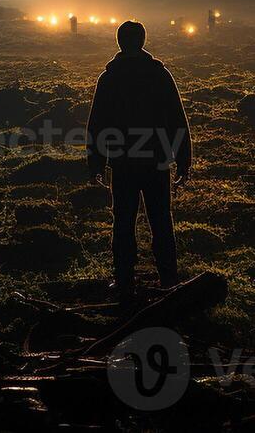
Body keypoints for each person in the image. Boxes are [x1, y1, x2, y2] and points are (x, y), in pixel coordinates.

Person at [86, 21, 192, 300]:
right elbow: (177, 119)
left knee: (123, 222)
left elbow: (97, 123)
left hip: (122, 162)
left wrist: (95, 161)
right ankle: (169, 279)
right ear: (142, 41)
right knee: (161, 221)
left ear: (119, 41)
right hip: (156, 161)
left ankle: (123, 282)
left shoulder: (109, 78)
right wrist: (184, 160)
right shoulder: (159, 75)